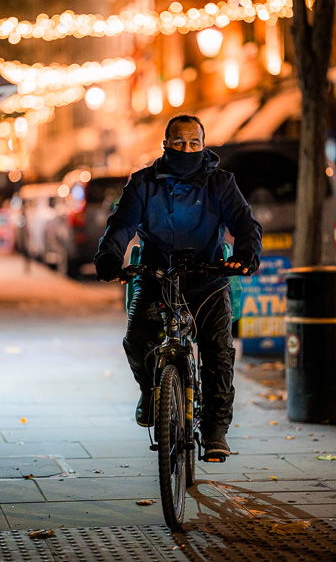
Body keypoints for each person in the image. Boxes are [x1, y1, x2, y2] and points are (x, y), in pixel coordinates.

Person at [95, 114, 262, 457]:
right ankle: (150, 392)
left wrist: (245, 256)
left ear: (203, 145)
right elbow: (121, 226)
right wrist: (110, 259)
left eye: (194, 143)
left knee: (218, 354)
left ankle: (215, 430)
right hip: (156, 276)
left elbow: (246, 225)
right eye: (179, 143)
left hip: (208, 277)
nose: (187, 149)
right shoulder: (142, 183)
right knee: (136, 340)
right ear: (165, 144)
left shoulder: (221, 183)